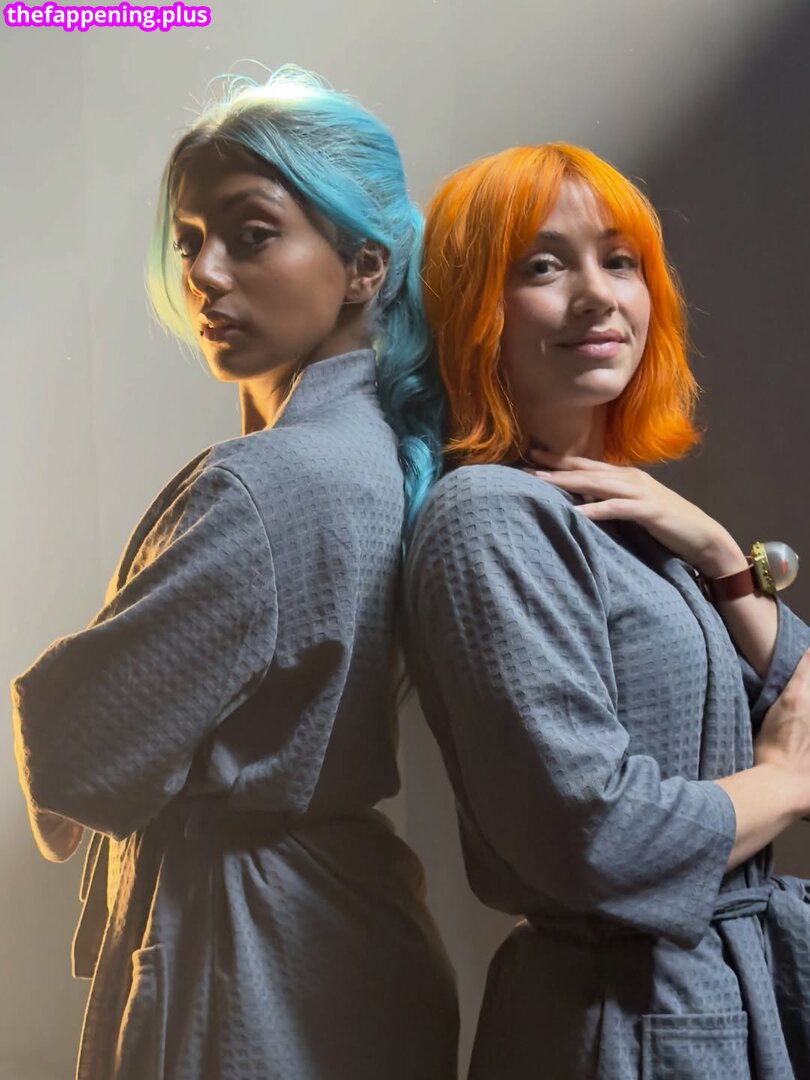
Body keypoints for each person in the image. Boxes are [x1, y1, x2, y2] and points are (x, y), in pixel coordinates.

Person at [11, 67, 457, 1080]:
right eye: (188, 242)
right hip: (350, 941)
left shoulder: (269, 485)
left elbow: (81, 746)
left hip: (243, 967)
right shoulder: (385, 454)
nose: (205, 274)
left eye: (251, 235)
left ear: (364, 266)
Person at [404, 142, 810, 1079]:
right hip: (619, 1032)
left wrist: (721, 558)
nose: (598, 295)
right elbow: (600, 837)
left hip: (708, 1002)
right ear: (473, 308)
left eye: (619, 261)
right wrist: (786, 781)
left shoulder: (632, 519)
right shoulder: (486, 518)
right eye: (544, 266)